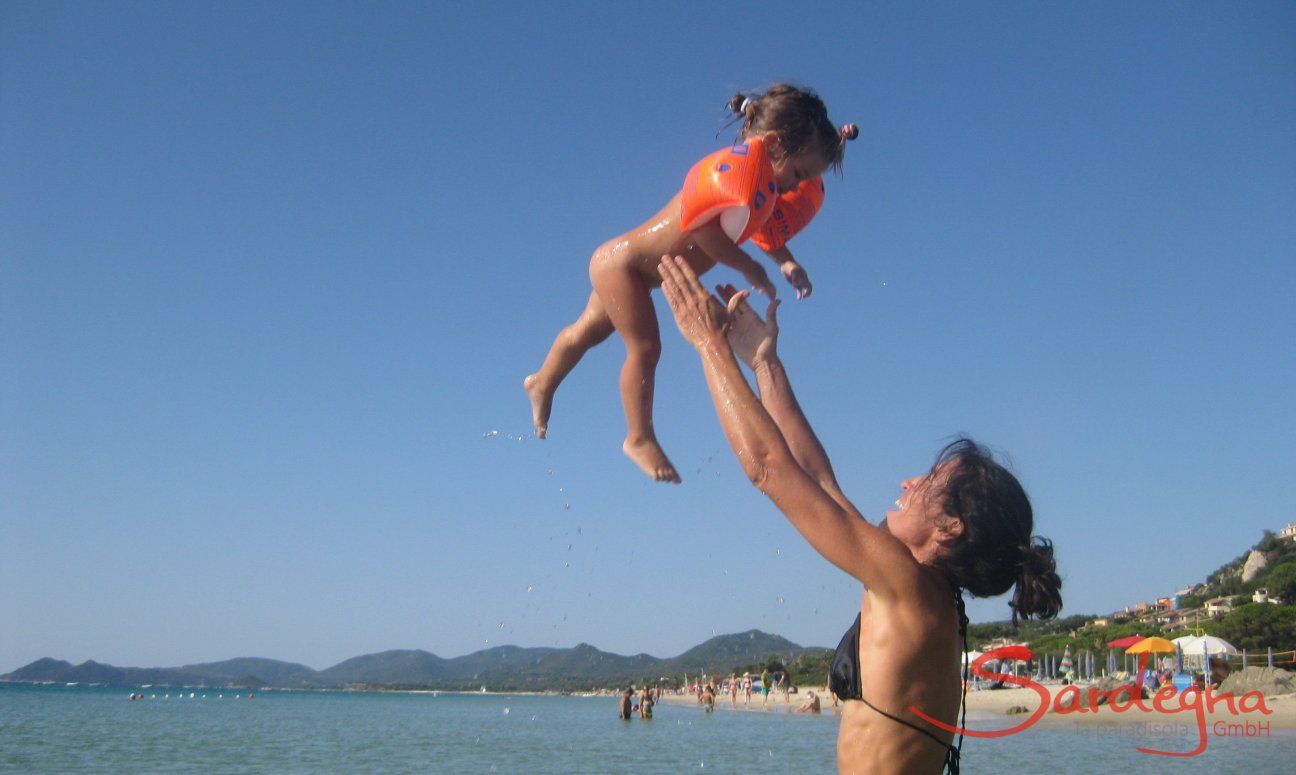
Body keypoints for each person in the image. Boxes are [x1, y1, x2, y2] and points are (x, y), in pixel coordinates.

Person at [657, 256, 1063, 774]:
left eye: (928, 482)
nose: (907, 482)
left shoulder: (908, 587)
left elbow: (768, 471)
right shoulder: (921, 590)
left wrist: (709, 345)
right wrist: (763, 364)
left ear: (950, 527)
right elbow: (819, 481)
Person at [526, 84, 857, 482]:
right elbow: (703, 233)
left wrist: (786, 263)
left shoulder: (758, 188)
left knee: (586, 332)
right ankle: (638, 437)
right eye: (798, 174)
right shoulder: (735, 173)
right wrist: (749, 268)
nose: (793, 188)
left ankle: (542, 381)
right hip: (624, 265)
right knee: (646, 349)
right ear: (771, 145)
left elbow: (764, 231)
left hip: (634, 271)